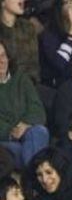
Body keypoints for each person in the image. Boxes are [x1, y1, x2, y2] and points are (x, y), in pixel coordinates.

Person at [0, 40, 47, 168]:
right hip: (5, 141)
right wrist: (11, 131)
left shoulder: (21, 79)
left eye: (3, 55)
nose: (2, 61)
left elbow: (37, 109)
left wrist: (25, 125)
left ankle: (30, 181)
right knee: (26, 151)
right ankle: (35, 180)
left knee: (40, 131)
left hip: (29, 133)